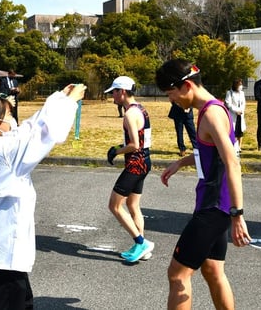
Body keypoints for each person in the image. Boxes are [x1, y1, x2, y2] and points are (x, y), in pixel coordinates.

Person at [0, 84, 86, 309]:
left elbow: (30, 127)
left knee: (22, 303)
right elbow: (40, 134)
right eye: (9, 116)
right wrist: (70, 103)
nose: (14, 121)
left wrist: (59, 96)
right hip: (2, 251)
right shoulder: (3, 150)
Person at [155, 59, 251, 310]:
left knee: (178, 274)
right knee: (212, 269)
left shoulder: (210, 114)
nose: (171, 100)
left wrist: (237, 214)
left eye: (170, 93)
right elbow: (215, 153)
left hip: (214, 206)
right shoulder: (213, 108)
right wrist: (182, 162)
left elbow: (232, 163)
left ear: (186, 86)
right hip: (216, 204)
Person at [104, 76, 154, 263]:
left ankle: (141, 242)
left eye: (114, 92)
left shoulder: (129, 114)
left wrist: (116, 150)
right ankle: (142, 249)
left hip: (135, 164)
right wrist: (120, 146)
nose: (112, 96)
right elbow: (141, 140)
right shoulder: (140, 109)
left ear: (122, 92)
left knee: (114, 206)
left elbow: (134, 145)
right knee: (133, 205)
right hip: (145, 162)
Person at [224, 78, 246, 152]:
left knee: (240, 130)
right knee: (234, 130)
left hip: (240, 114)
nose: (241, 86)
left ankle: (239, 147)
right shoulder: (229, 93)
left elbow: (243, 103)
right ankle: (233, 146)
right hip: (233, 114)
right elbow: (228, 103)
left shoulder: (242, 93)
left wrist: (241, 110)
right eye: (239, 84)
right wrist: (236, 110)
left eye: (241, 84)